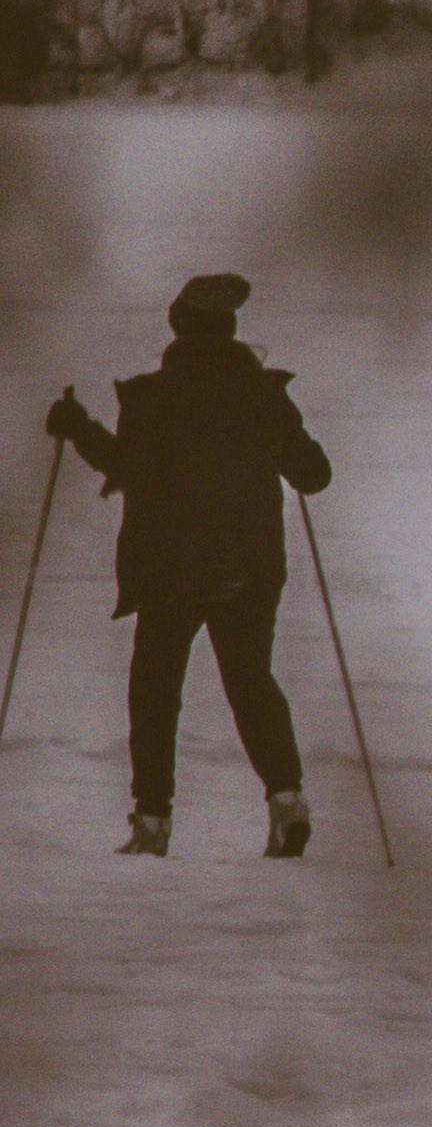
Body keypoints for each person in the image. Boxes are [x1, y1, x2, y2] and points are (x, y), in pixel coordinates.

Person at [46, 274, 333, 862]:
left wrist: (77, 428)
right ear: (229, 331)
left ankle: (152, 824)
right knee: (251, 683)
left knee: (155, 691)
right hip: (250, 566)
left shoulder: (154, 397)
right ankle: (287, 804)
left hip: (171, 567)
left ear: (177, 329)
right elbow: (314, 475)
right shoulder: (263, 394)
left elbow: (127, 465)